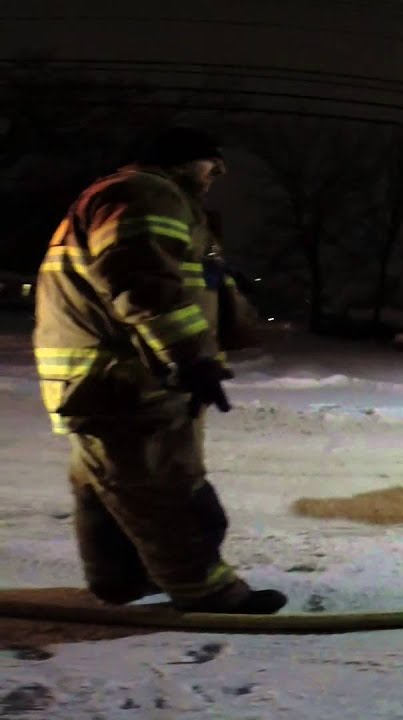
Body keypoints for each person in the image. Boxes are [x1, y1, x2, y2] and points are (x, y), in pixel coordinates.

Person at [32, 126, 287, 614]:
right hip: (128, 378)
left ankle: (121, 580)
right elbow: (143, 281)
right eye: (212, 163)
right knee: (165, 488)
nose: (217, 174)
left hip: (103, 378)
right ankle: (209, 593)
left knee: (111, 486)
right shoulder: (148, 194)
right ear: (182, 160)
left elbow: (148, 275)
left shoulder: (128, 196)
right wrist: (190, 356)